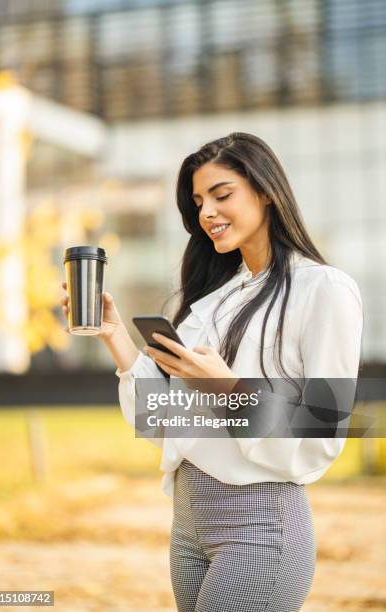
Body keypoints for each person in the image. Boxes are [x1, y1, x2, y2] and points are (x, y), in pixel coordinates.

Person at [61, 132, 363, 612]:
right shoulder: (213, 301)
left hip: (259, 528)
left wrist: (226, 387)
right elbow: (165, 422)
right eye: (199, 201)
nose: (206, 213)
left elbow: (323, 433)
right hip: (188, 526)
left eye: (222, 195)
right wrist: (115, 338)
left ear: (266, 191)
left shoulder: (323, 289)